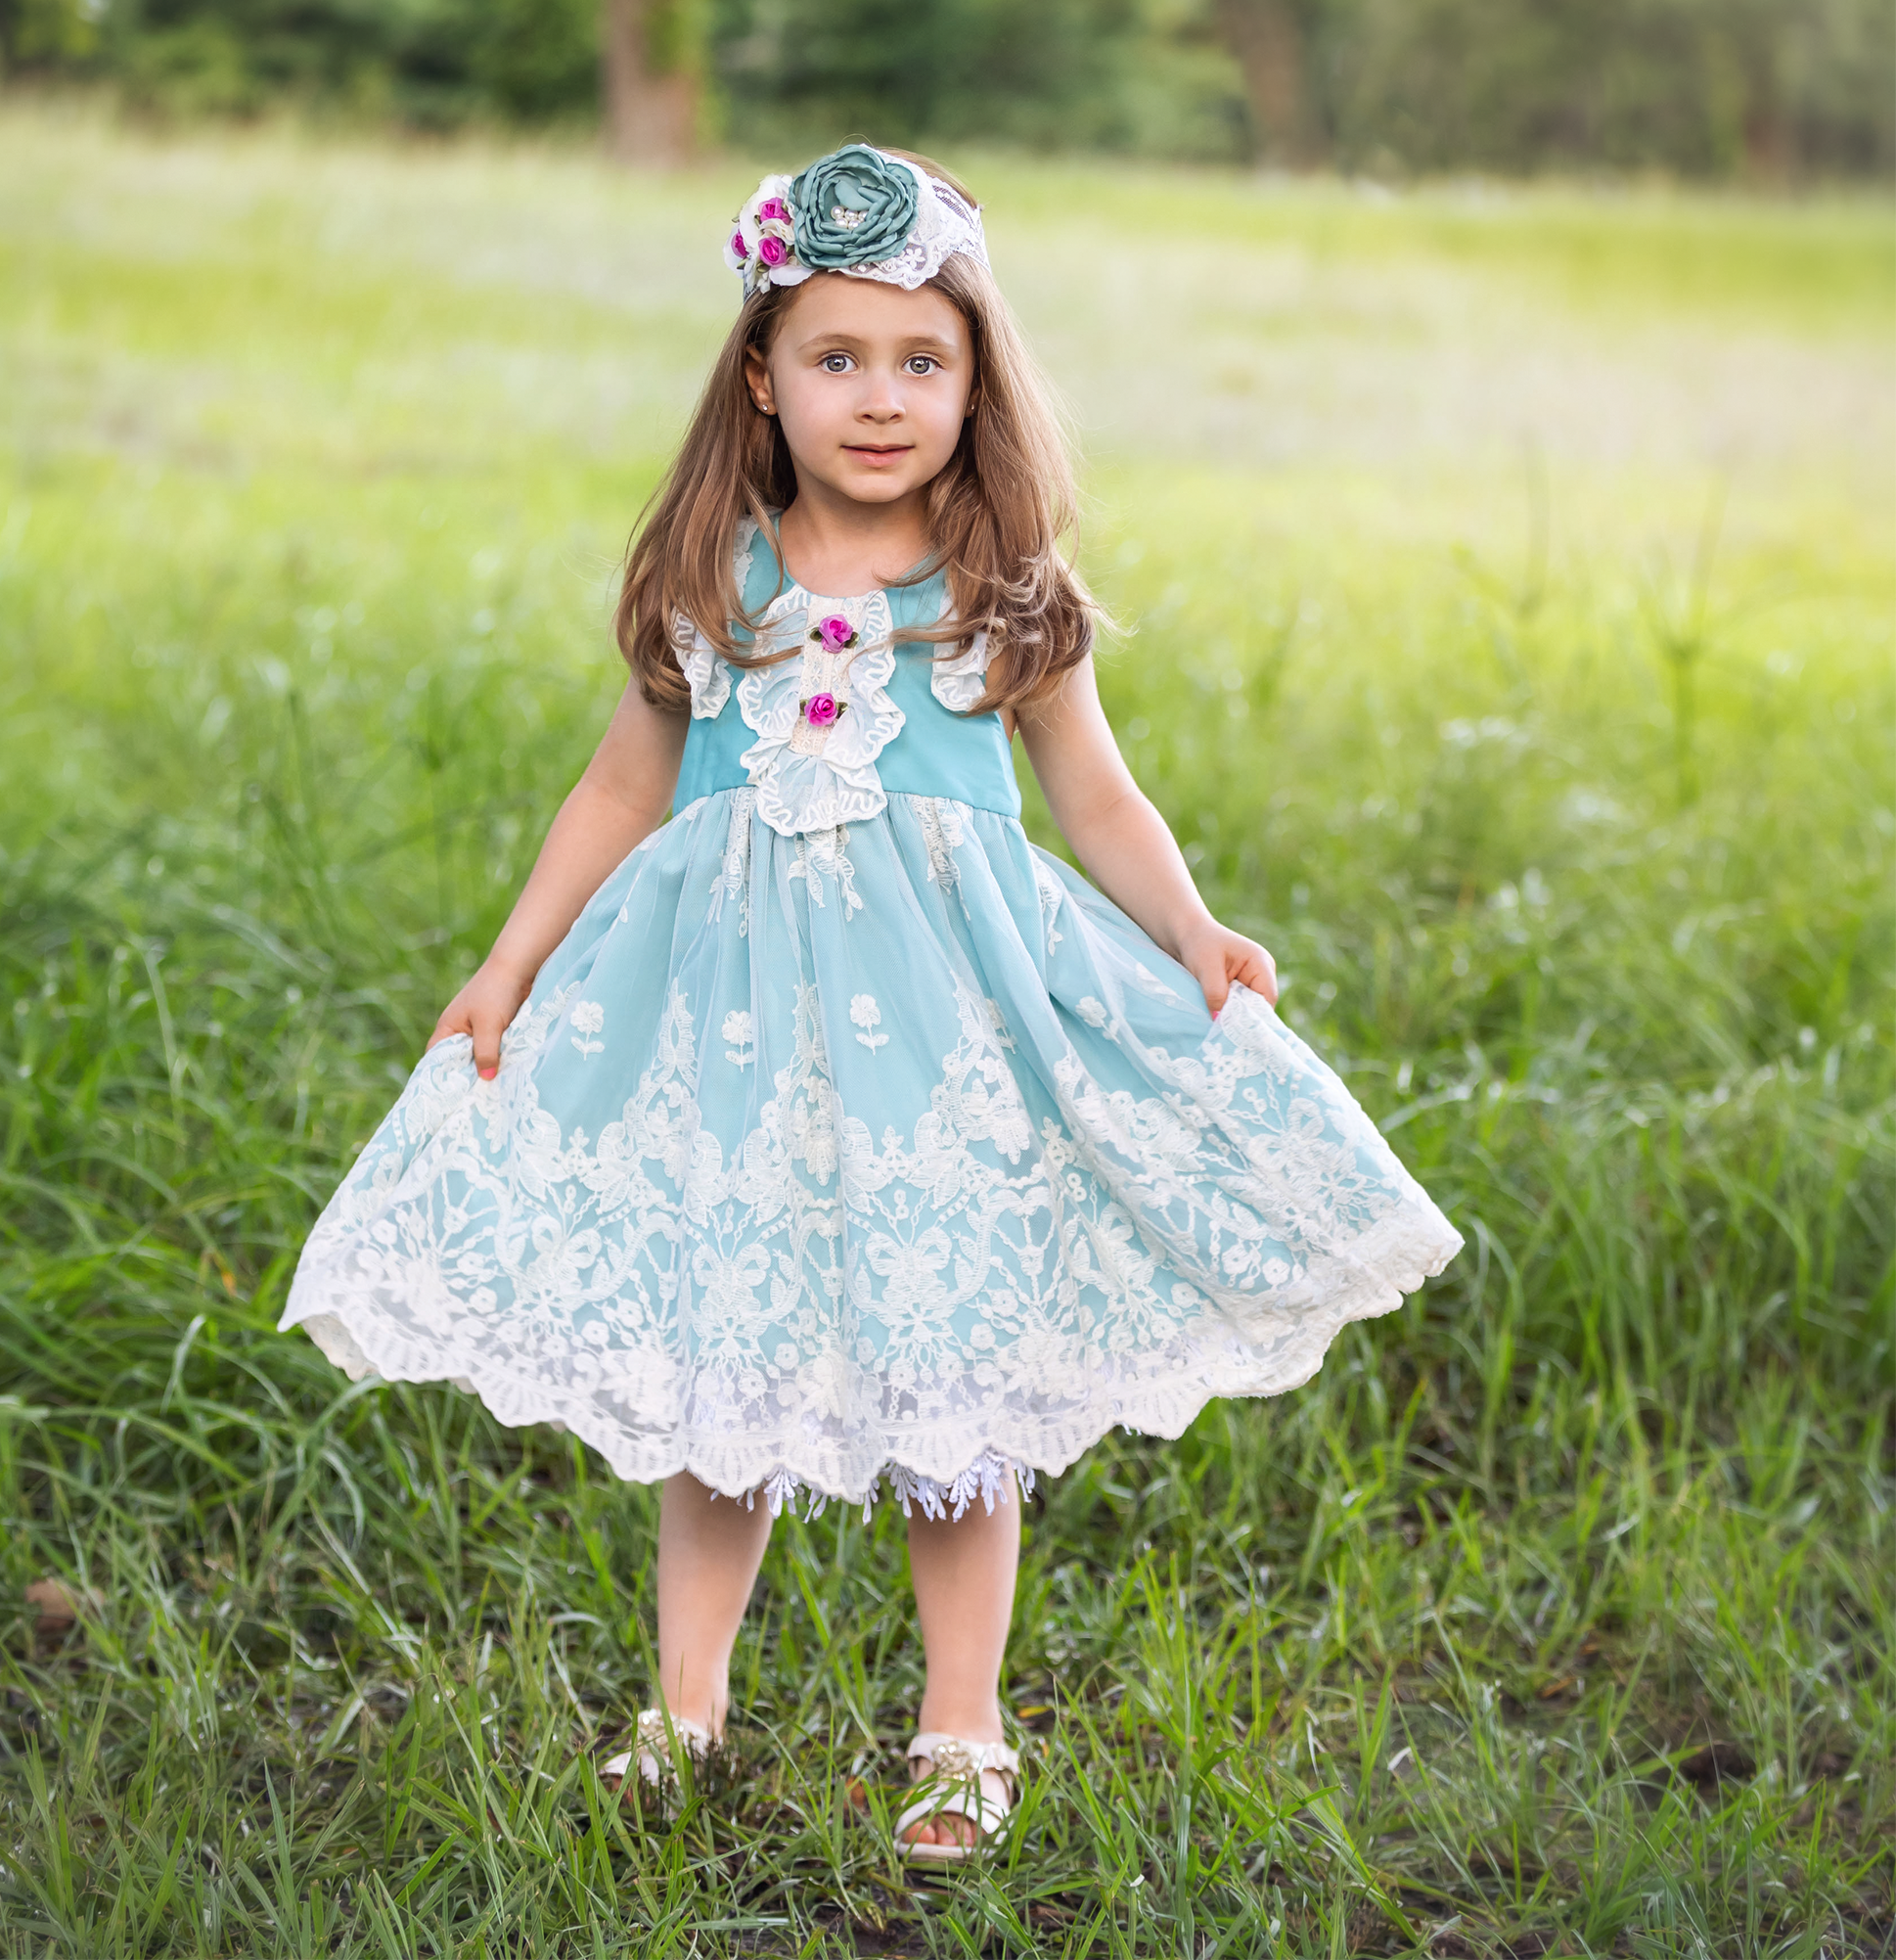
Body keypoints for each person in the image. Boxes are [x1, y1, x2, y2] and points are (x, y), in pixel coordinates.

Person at [280, 144, 1463, 1864]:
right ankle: (684, 1710)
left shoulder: (1000, 595)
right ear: (762, 375)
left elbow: (1101, 801)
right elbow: (616, 797)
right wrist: (509, 962)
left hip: (944, 1056)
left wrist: (1195, 931)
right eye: (838, 358)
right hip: (731, 1044)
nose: (883, 397)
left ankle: (962, 1726)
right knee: (723, 1381)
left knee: (952, 1400)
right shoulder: (720, 584)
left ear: (978, 381)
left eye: (924, 360)